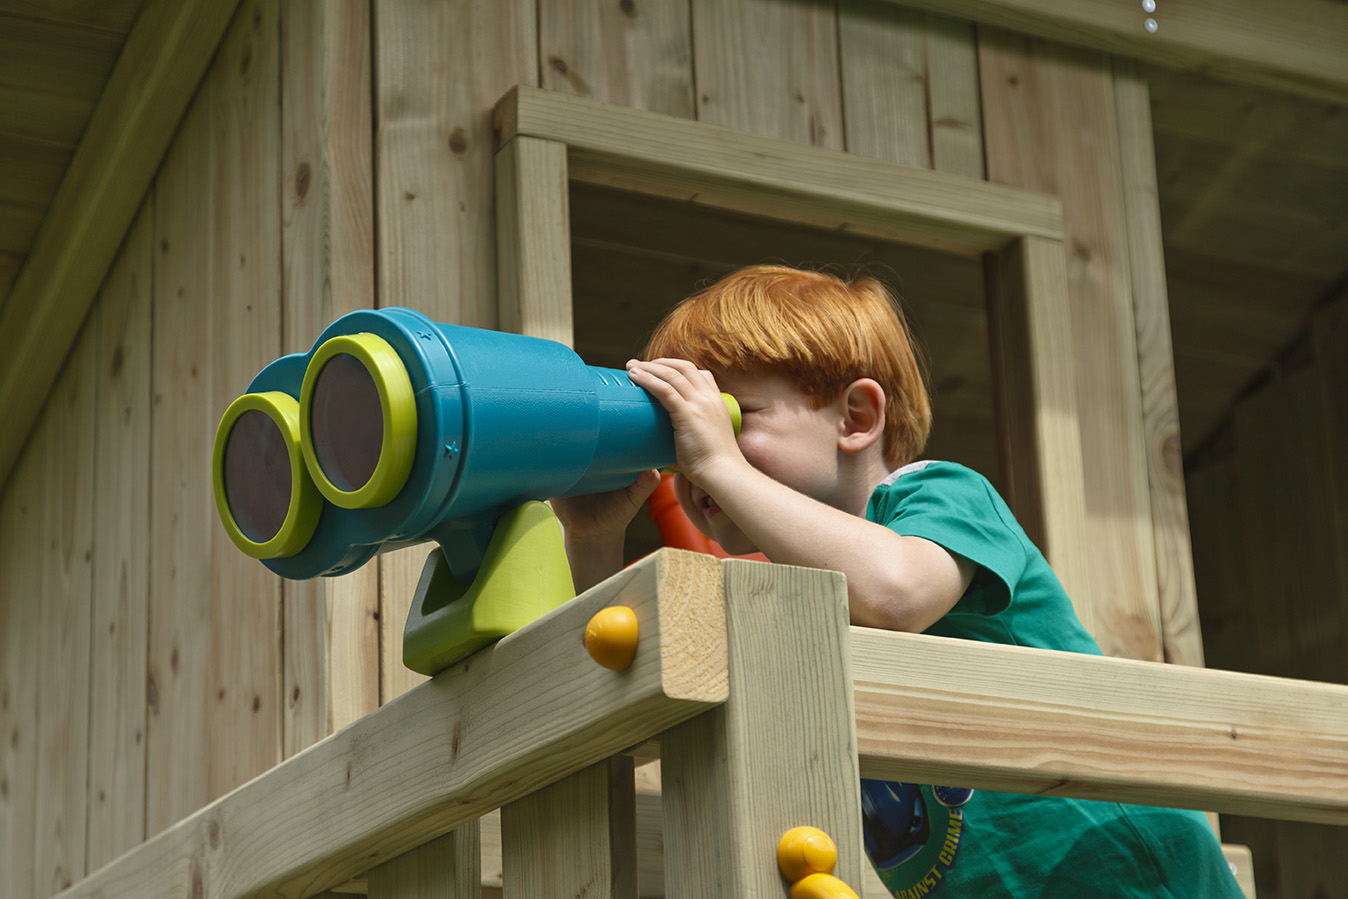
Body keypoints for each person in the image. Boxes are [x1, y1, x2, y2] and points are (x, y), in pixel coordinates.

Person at [552, 263, 1242, 897]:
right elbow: (629, 674)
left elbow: (894, 592)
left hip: (1127, 867)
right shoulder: (780, 591)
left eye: (734, 415)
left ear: (856, 417)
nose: (697, 453)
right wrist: (593, 539)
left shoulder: (938, 498)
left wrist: (721, 465)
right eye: (683, 440)